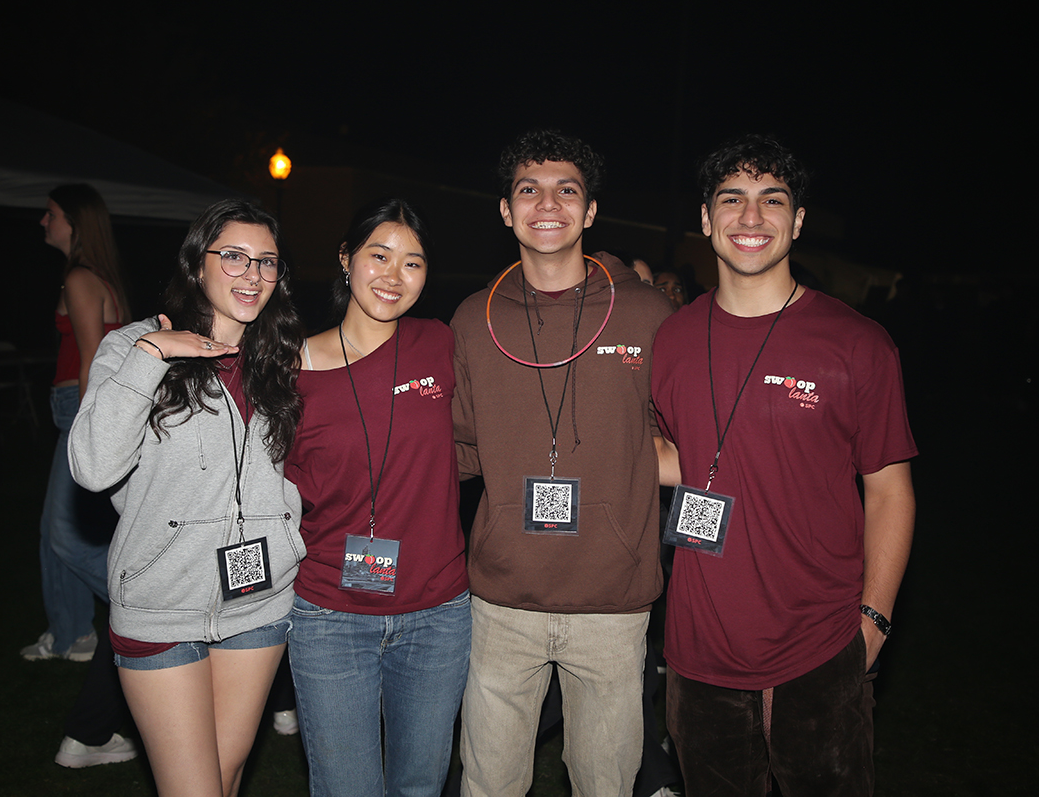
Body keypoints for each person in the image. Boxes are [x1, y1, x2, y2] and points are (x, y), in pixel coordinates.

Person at [651, 135, 918, 796]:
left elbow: (889, 492)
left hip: (819, 646)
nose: (751, 217)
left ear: (797, 221)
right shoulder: (673, 337)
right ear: (706, 220)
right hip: (698, 653)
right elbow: (674, 459)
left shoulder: (857, 343)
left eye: (772, 200)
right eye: (732, 200)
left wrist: (874, 624)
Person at [452, 130, 673, 796]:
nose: (547, 203)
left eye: (566, 189)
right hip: (501, 600)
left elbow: (686, 441)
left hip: (612, 599)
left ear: (592, 210)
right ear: (504, 209)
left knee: (604, 783)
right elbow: (454, 451)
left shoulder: (645, 311)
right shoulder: (472, 319)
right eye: (529, 189)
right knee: (489, 783)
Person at [68, 200, 306, 797]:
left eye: (266, 262)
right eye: (233, 257)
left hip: (260, 602)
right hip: (161, 600)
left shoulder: (281, 360)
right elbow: (92, 468)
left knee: (223, 780)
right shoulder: (132, 346)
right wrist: (156, 355)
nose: (251, 275)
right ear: (197, 264)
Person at [284, 197, 470, 797]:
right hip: (330, 617)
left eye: (412, 263)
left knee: (420, 786)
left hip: (437, 614)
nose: (393, 276)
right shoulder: (293, 369)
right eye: (379, 256)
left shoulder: (439, 344)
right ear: (345, 259)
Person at [22, 183, 130, 662]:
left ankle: (146, 608)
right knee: (56, 531)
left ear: (75, 222)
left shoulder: (81, 279)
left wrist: (89, 429)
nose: (44, 222)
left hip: (80, 412)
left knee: (65, 536)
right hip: (78, 411)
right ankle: (72, 634)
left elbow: (92, 358)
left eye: (51, 214)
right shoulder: (94, 276)